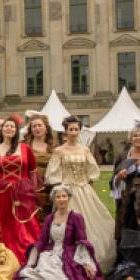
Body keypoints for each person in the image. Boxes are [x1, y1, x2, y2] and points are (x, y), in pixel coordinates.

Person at [47, 117, 116, 272]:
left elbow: (92, 171)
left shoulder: (85, 150)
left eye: (76, 129)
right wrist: (63, 190)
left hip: (85, 190)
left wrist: (87, 184)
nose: (73, 132)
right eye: (70, 129)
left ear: (79, 131)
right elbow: (53, 174)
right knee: (68, 226)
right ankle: (68, 262)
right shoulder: (59, 151)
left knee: (94, 222)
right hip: (67, 192)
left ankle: (93, 259)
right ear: (65, 131)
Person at [14, 185, 103, 280]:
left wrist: (87, 263)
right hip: (51, 252)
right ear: (54, 200)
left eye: (64, 196)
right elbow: (42, 241)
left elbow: (82, 241)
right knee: (43, 265)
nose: (61, 199)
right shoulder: (49, 218)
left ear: (69, 198)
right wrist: (30, 263)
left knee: (69, 274)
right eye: (58, 197)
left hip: (69, 253)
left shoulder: (76, 217)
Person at [0, 114, 40, 262]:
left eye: (12, 126)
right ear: (1, 130)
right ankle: (2, 259)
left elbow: (33, 172)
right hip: (2, 194)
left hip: (23, 194)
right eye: (6, 126)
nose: (9, 128)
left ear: (16, 130)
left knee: (23, 229)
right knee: (2, 227)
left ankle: (24, 259)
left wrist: (32, 193)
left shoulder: (25, 148)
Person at [113, 124, 140, 264]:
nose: (138, 137)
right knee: (127, 230)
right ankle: (126, 263)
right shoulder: (123, 156)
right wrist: (119, 177)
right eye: (135, 135)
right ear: (131, 138)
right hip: (126, 202)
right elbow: (113, 182)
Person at [22, 111, 55, 220]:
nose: (37, 128)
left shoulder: (54, 147)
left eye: (39, 125)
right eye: (34, 126)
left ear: (46, 128)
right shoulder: (23, 146)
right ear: (30, 129)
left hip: (49, 187)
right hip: (30, 188)